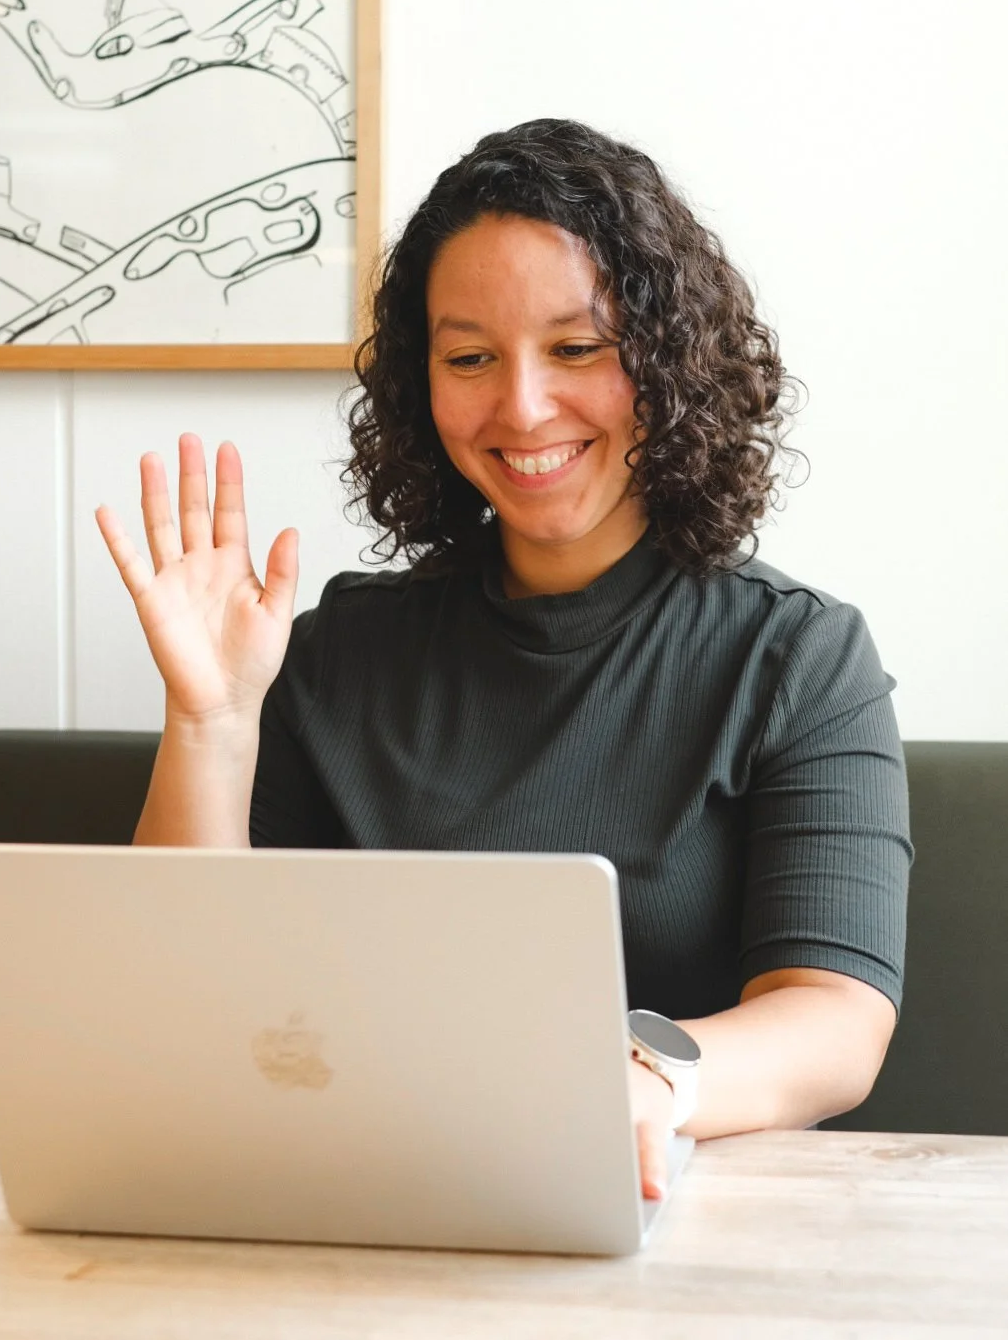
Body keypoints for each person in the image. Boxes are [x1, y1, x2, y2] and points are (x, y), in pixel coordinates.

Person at [96, 118, 911, 1203]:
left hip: (666, 1210)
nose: (522, 406)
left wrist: (646, 1080)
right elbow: (177, 994)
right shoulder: (335, 649)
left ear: (666, 361)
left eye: (577, 348)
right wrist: (210, 718)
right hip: (350, 1197)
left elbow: (836, 1019)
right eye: (470, 356)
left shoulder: (794, 653)